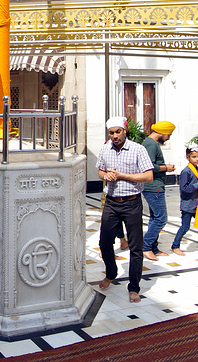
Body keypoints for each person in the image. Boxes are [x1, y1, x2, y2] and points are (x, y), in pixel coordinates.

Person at [97, 116, 153, 303]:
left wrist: (122, 176)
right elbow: (100, 172)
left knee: (136, 247)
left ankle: (134, 287)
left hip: (131, 202)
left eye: (118, 132)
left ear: (125, 130)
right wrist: (108, 175)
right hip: (112, 202)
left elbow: (148, 177)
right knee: (104, 242)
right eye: (111, 133)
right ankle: (111, 273)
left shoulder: (138, 150)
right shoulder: (105, 148)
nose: (115, 136)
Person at [142, 121, 176, 261]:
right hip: (153, 186)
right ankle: (146, 247)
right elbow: (148, 165)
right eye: (168, 134)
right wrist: (166, 167)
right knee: (161, 218)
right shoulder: (151, 144)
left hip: (154, 185)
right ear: (162, 132)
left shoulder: (151, 143)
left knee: (155, 217)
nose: (168, 138)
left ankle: (153, 248)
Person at [171, 145, 198, 255]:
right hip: (188, 205)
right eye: (194, 157)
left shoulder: (196, 169)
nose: (197, 159)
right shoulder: (186, 171)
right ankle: (175, 245)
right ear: (188, 157)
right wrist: (196, 185)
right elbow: (184, 188)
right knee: (185, 227)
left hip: (195, 203)